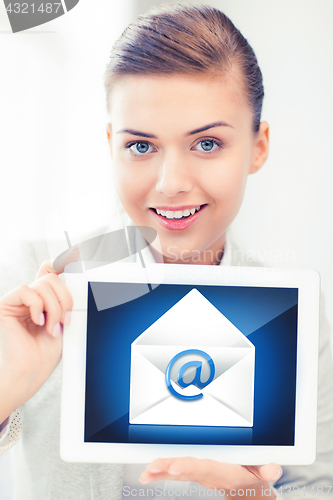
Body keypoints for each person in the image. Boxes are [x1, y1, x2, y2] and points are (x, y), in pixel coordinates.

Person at [0, 4, 333, 499]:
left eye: (207, 144)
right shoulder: (29, 285)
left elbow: (316, 486)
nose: (171, 183)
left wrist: (253, 496)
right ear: (112, 144)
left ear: (258, 146)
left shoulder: (296, 314)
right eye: (140, 146)